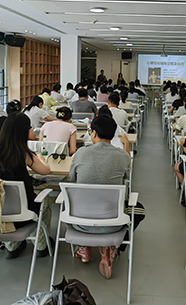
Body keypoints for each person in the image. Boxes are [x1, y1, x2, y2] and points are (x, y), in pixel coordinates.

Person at [0, 112, 52, 259]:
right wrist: (41, 158)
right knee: (45, 201)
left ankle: (12, 246)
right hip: (21, 212)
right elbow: (45, 170)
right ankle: (41, 246)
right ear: (23, 132)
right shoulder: (23, 153)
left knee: (8, 201)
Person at [69, 115, 132, 279]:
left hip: (80, 222)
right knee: (138, 209)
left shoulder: (80, 153)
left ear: (94, 133)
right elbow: (126, 177)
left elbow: (72, 178)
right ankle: (112, 247)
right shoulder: (123, 156)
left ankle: (84, 246)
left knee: (74, 200)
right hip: (113, 223)